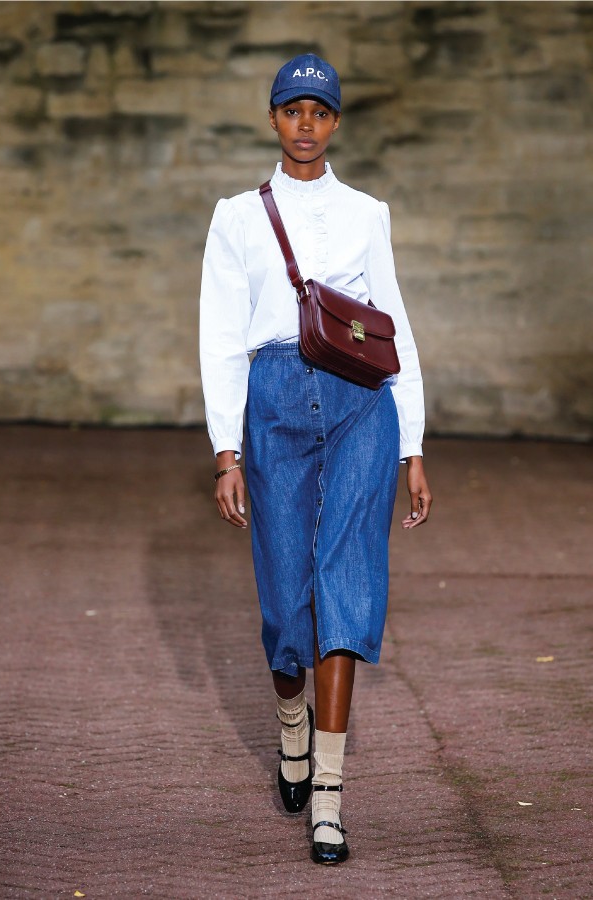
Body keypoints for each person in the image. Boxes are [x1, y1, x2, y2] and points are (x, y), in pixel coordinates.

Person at [199, 53, 432, 865]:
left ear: (335, 122)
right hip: (272, 399)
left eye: (320, 111)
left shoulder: (369, 212)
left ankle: (328, 796)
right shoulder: (235, 216)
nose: (306, 123)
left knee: (349, 581)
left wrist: (413, 442)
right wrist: (224, 449)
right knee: (283, 600)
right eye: (292, 109)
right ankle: (290, 721)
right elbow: (221, 338)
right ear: (273, 119)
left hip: (362, 403)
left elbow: (392, 319)